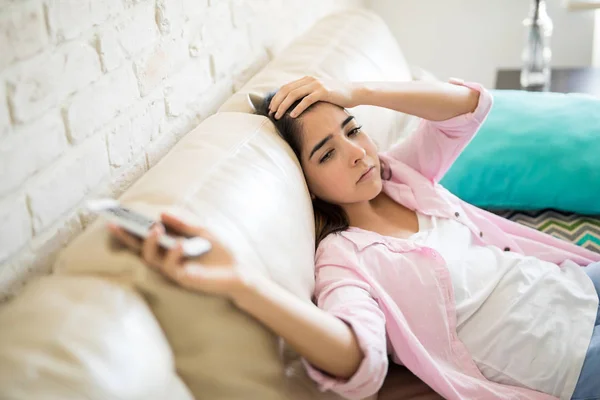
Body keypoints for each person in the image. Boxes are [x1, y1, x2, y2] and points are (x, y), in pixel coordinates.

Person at [108, 76, 600, 400]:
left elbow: (469, 109)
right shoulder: (344, 259)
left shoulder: (400, 174)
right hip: (565, 357)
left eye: (353, 129)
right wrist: (242, 283)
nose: (357, 153)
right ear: (306, 183)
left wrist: (356, 90)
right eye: (326, 154)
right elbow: (357, 359)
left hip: (576, 285)